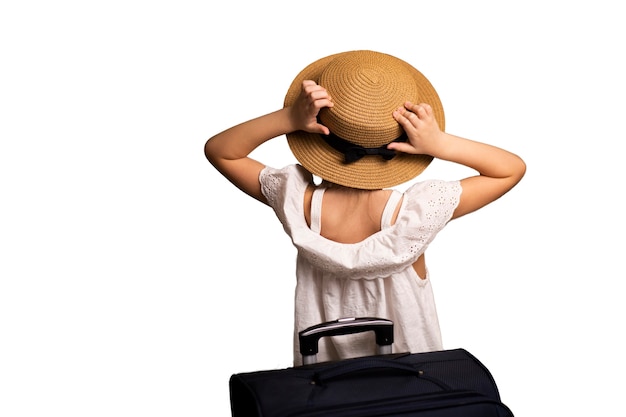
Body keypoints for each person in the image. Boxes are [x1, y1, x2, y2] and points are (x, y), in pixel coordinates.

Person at [204, 50, 526, 366]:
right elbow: (510, 169)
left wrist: (288, 118)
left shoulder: (295, 203)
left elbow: (221, 151)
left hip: (330, 398)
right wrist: (440, 143)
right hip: (412, 393)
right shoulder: (417, 213)